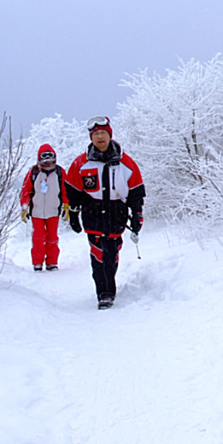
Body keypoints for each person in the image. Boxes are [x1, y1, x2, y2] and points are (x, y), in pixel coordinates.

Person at [65, 116, 145, 309]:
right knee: (97, 254)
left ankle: (109, 286)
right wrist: (73, 214)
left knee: (112, 253)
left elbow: (136, 192)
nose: (100, 137)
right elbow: (72, 191)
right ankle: (104, 293)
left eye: (103, 133)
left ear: (110, 135)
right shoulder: (81, 163)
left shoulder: (126, 162)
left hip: (116, 214)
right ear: (91, 138)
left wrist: (137, 215)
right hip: (92, 214)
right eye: (96, 134)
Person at [20, 144, 70, 271]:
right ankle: (37, 262)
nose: (47, 161)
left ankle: (52, 262)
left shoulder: (59, 172)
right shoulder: (34, 172)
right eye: (44, 157)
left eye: (50, 157)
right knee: (38, 238)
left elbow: (65, 190)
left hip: (53, 211)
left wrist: (66, 205)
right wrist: (25, 206)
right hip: (37, 212)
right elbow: (26, 190)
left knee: (52, 238)